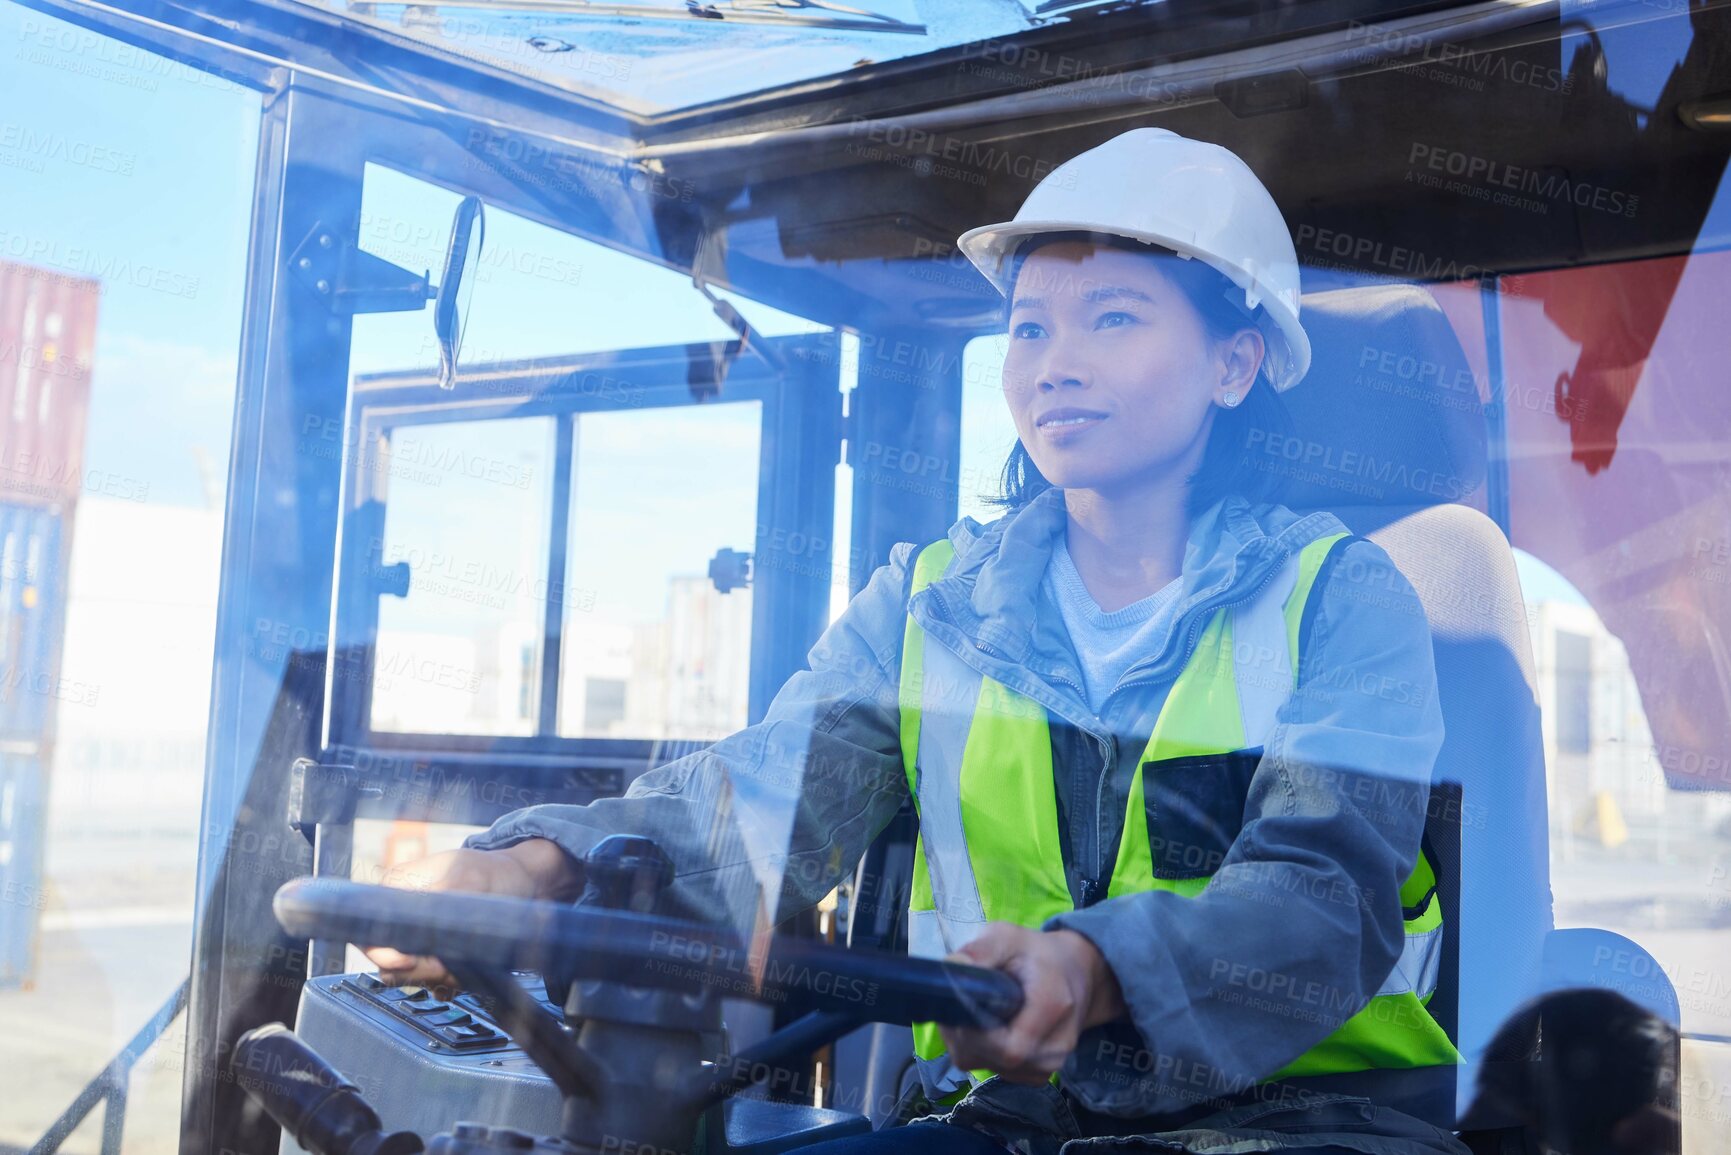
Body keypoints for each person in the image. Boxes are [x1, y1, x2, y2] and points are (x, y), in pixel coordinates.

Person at [367, 128, 1468, 1155]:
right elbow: (760, 802)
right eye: (1030, 324)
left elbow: (1320, 897)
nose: (1055, 363)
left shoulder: (1340, 599)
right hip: (1020, 1118)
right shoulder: (932, 602)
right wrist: (531, 865)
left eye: (1115, 318)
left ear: (1232, 367)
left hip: (1308, 1123)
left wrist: (1090, 969)